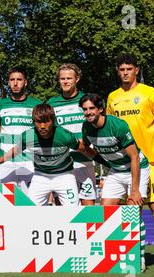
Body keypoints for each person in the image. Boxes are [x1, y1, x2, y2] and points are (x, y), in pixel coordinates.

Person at [107, 54, 154, 272]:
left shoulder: (149, 92)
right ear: (118, 71)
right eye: (121, 69)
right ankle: (136, 255)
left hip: (151, 159)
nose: (125, 72)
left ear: (136, 70)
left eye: (129, 68)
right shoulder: (112, 98)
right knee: (129, 209)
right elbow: (108, 129)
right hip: (124, 163)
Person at [80, 94, 149, 271]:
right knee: (106, 212)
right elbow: (86, 148)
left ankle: (139, 258)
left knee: (134, 212)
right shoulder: (86, 128)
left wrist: (134, 190)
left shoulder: (117, 125)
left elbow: (134, 156)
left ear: (100, 109)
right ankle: (114, 254)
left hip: (136, 168)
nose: (88, 113)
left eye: (91, 109)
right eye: (85, 109)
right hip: (116, 171)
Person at [0, 104, 83, 206]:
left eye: (46, 121)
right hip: (40, 177)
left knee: (73, 211)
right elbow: (16, 150)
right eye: (38, 122)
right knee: (32, 211)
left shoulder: (65, 136)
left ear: (53, 120)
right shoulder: (27, 136)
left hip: (65, 176)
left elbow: (83, 149)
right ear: (33, 122)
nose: (42, 126)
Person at [47, 64, 96, 205]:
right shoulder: (52, 103)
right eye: (62, 78)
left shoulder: (87, 100)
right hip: (62, 163)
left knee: (88, 208)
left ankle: (88, 227)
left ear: (77, 79)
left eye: (69, 78)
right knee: (64, 208)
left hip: (83, 160)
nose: (65, 81)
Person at [0, 67, 42, 193]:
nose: (15, 83)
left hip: (30, 160)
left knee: (31, 202)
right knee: (8, 201)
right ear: (8, 82)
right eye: (12, 80)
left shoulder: (36, 104)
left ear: (25, 82)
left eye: (19, 80)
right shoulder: (1, 104)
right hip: (6, 161)